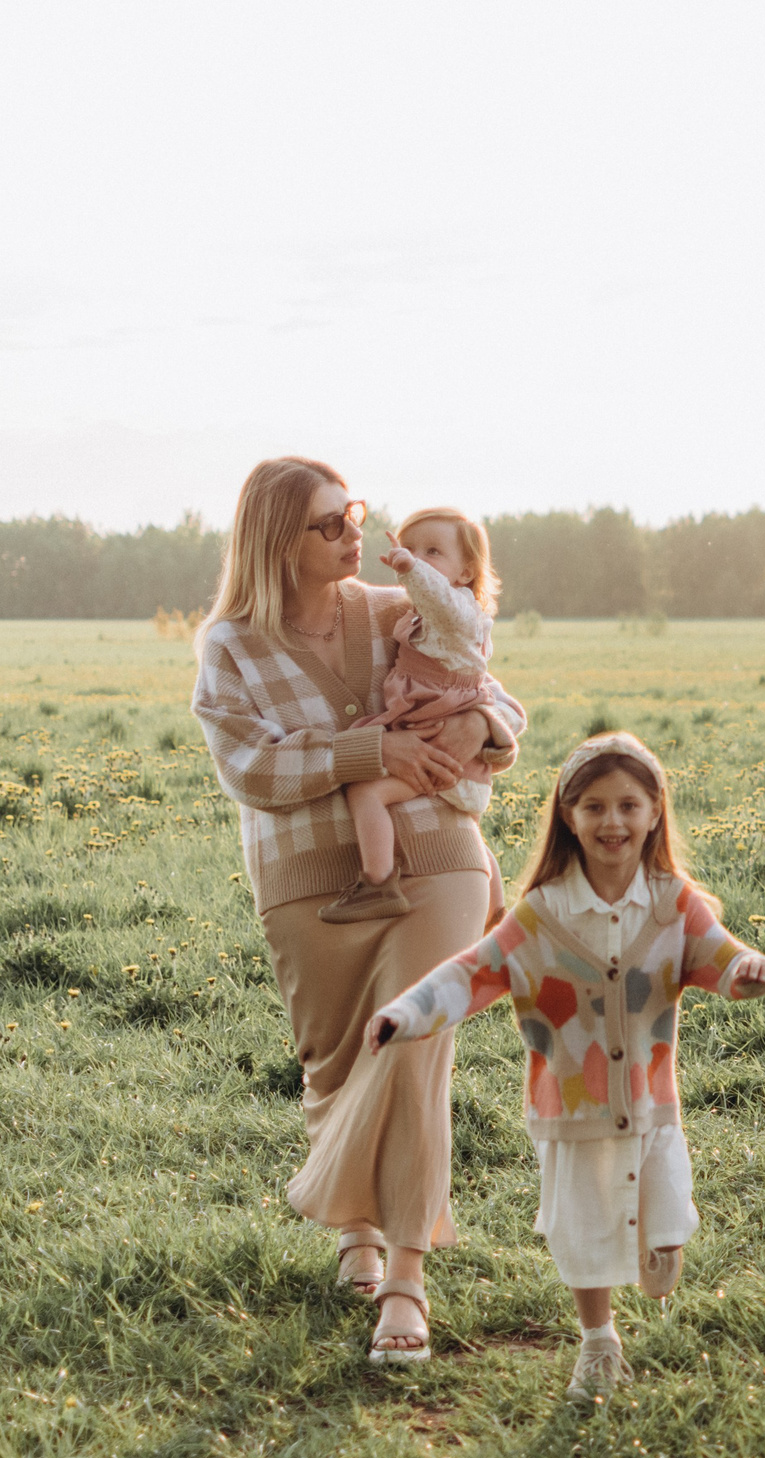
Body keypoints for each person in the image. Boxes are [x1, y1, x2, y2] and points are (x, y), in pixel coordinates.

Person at [192, 456, 524, 1362]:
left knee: (413, 1046)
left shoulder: (393, 608)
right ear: (277, 542)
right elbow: (250, 766)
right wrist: (365, 753)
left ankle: (407, 1278)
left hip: (440, 857)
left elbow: (494, 693)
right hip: (305, 876)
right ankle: (356, 1228)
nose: (354, 534)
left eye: (355, 514)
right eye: (330, 523)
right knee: (337, 1061)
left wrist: (481, 727)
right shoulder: (230, 646)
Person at [365, 734, 765, 1387]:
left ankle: (657, 1244)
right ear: (568, 815)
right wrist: (405, 1015)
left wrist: (748, 971)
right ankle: (598, 1340)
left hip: (651, 1103)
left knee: (668, 1215)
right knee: (583, 1237)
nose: (612, 822)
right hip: (571, 1110)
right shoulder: (542, 916)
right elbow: (469, 973)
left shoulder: (673, 903)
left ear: (654, 812)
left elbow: (721, 958)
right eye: (594, 807)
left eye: (628, 806)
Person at [325, 507, 511, 925]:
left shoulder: (458, 614)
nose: (416, 558)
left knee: (366, 792)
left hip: (441, 744)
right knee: (467, 828)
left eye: (433, 551)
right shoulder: (432, 615)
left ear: (466, 572)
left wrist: (410, 568)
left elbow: (439, 598)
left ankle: (377, 883)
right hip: (441, 744)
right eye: (409, 547)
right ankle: (496, 912)